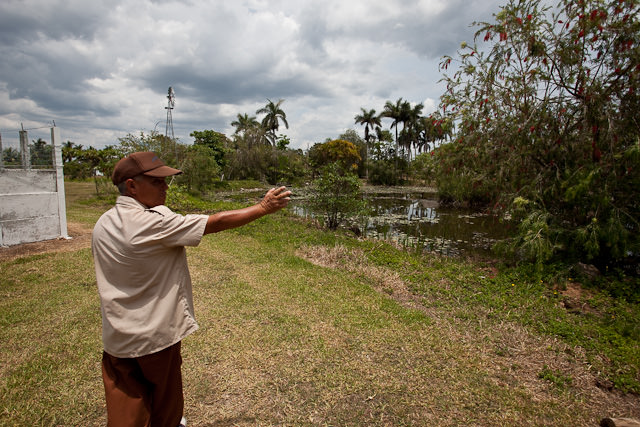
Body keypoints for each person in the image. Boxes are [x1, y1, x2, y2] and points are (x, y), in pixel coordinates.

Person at [91, 151, 291, 426]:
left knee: (127, 411)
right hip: (154, 338)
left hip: (117, 337)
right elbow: (215, 222)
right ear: (132, 186)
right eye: (157, 181)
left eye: (165, 181)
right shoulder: (150, 224)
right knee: (166, 406)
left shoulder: (104, 222)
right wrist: (263, 208)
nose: (165, 187)